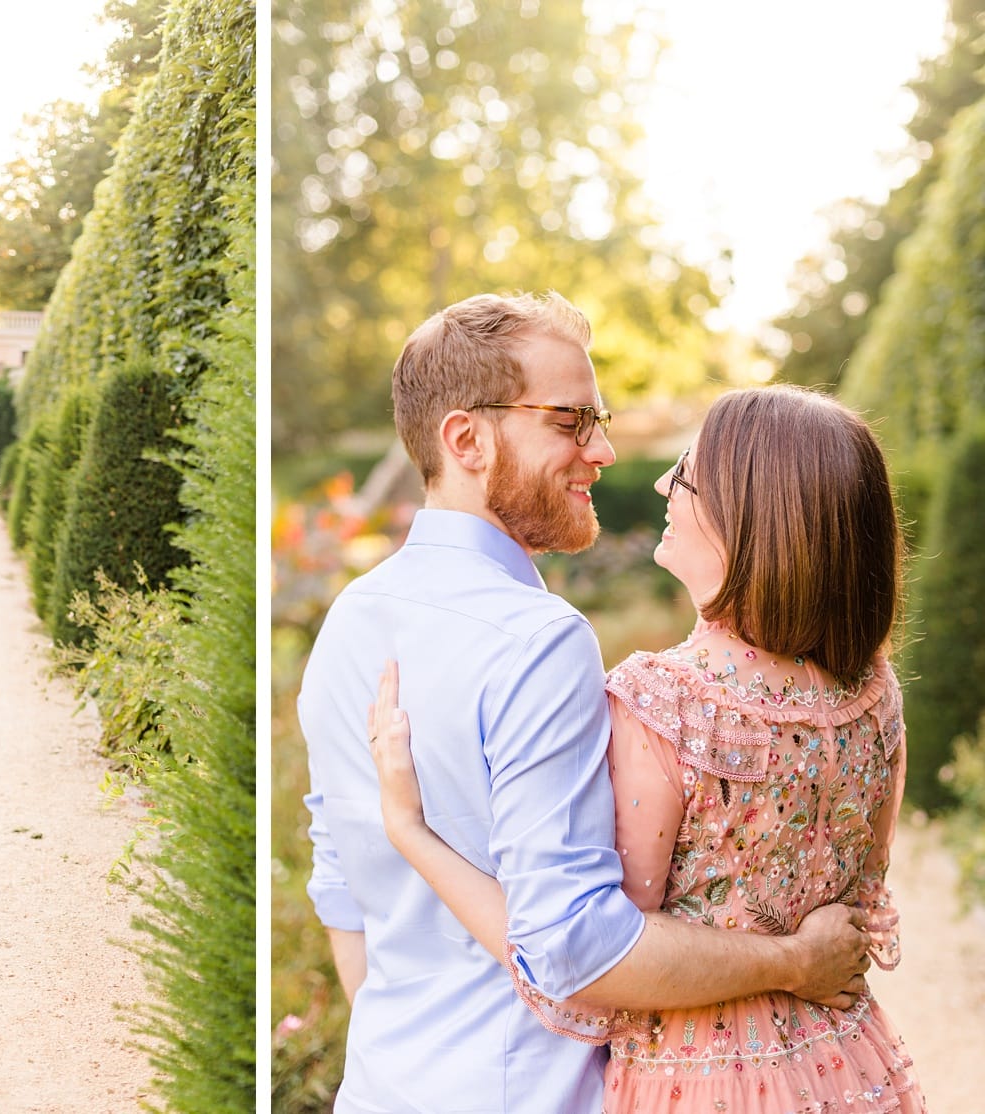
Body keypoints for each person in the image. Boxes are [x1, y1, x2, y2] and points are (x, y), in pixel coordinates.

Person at [296, 293, 871, 1112]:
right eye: (570, 421)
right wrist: (793, 963)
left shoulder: (349, 619)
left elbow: (341, 887)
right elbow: (576, 949)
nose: (600, 450)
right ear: (467, 439)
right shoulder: (538, 637)